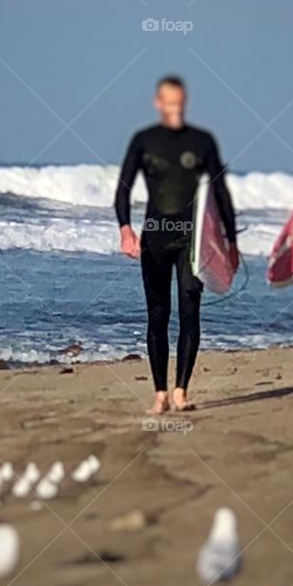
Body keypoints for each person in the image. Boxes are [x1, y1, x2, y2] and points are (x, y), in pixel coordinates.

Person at [114, 75, 238, 414]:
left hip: (190, 240)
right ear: (158, 102)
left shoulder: (202, 141)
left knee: (189, 313)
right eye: (169, 101)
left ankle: (181, 390)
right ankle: (159, 393)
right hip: (154, 235)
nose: (175, 107)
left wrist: (231, 241)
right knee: (157, 316)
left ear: (185, 101)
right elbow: (123, 188)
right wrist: (125, 230)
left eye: (179, 101)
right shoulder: (144, 140)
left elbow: (221, 193)